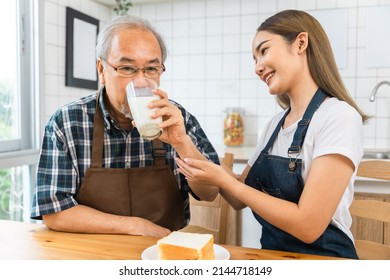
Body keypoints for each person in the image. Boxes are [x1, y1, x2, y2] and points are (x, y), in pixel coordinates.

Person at [175, 10, 369, 259]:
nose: (257, 67)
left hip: (326, 261)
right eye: (254, 59)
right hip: (275, 258)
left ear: (300, 43)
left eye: (264, 51)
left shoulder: (338, 116)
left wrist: (224, 180)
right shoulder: (275, 125)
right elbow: (238, 197)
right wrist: (182, 140)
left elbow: (308, 226)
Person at [30, 15, 219, 238]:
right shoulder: (67, 122)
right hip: (91, 252)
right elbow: (54, 211)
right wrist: (134, 226)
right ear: (101, 70)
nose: (140, 82)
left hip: (163, 251)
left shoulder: (178, 119)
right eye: (127, 68)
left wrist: (181, 142)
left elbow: (209, 193)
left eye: (151, 69)